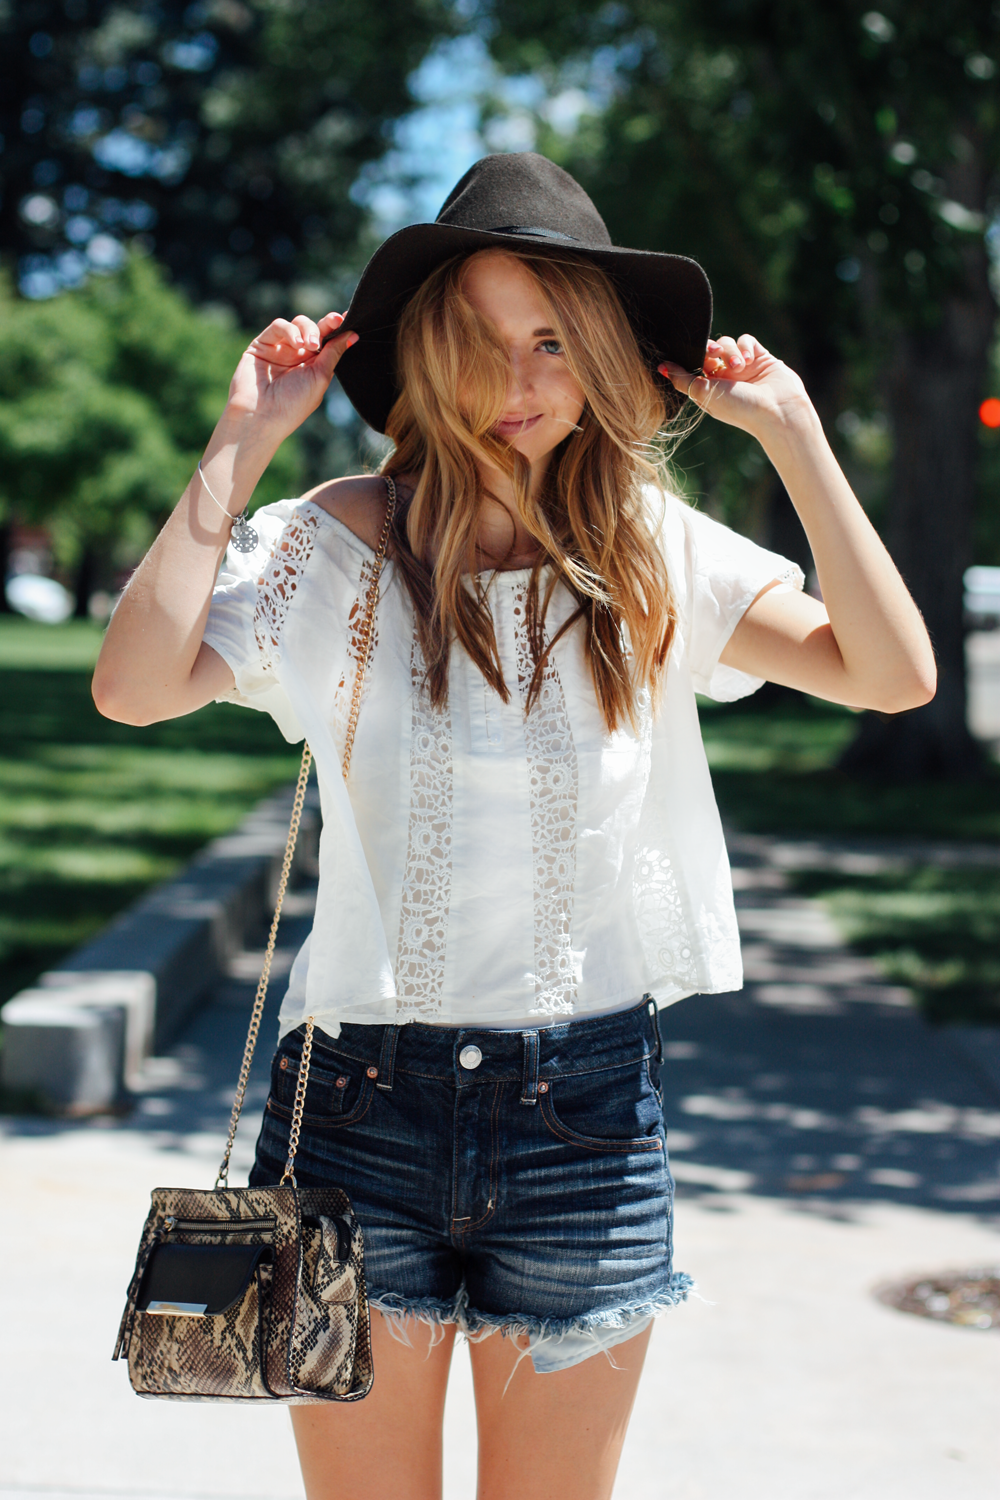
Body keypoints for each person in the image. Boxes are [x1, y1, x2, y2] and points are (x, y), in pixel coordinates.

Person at [93, 153, 935, 1500]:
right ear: (425, 355)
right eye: (480, 341)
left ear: (601, 354)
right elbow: (132, 688)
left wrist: (799, 439)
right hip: (353, 1112)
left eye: (552, 340)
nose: (518, 381)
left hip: (583, 1119)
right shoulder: (331, 549)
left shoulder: (649, 550)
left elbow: (893, 676)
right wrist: (243, 436)